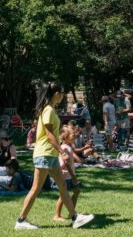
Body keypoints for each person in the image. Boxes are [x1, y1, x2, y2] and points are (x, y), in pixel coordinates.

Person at [15, 82, 94, 230]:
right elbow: (50, 135)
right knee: (36, 189)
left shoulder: (49, 109)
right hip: (45, 153)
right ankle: (21, 220)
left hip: (49, 155)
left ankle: (75, 217)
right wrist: (62, 151)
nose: (62, 96)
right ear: (56, 94)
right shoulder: (48, 110)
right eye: (62, 93)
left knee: (62, 185)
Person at [54, 127, 82, 222]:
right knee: (63, 195)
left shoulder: (68, 146)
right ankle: (57, 215)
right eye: (72, 135)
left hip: (70, 174)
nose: (74, 136)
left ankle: (71, 213)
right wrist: (73, 176)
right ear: (66, 137)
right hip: (66, 175)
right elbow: (65, 163)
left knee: (76, 191)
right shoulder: (64, 148)